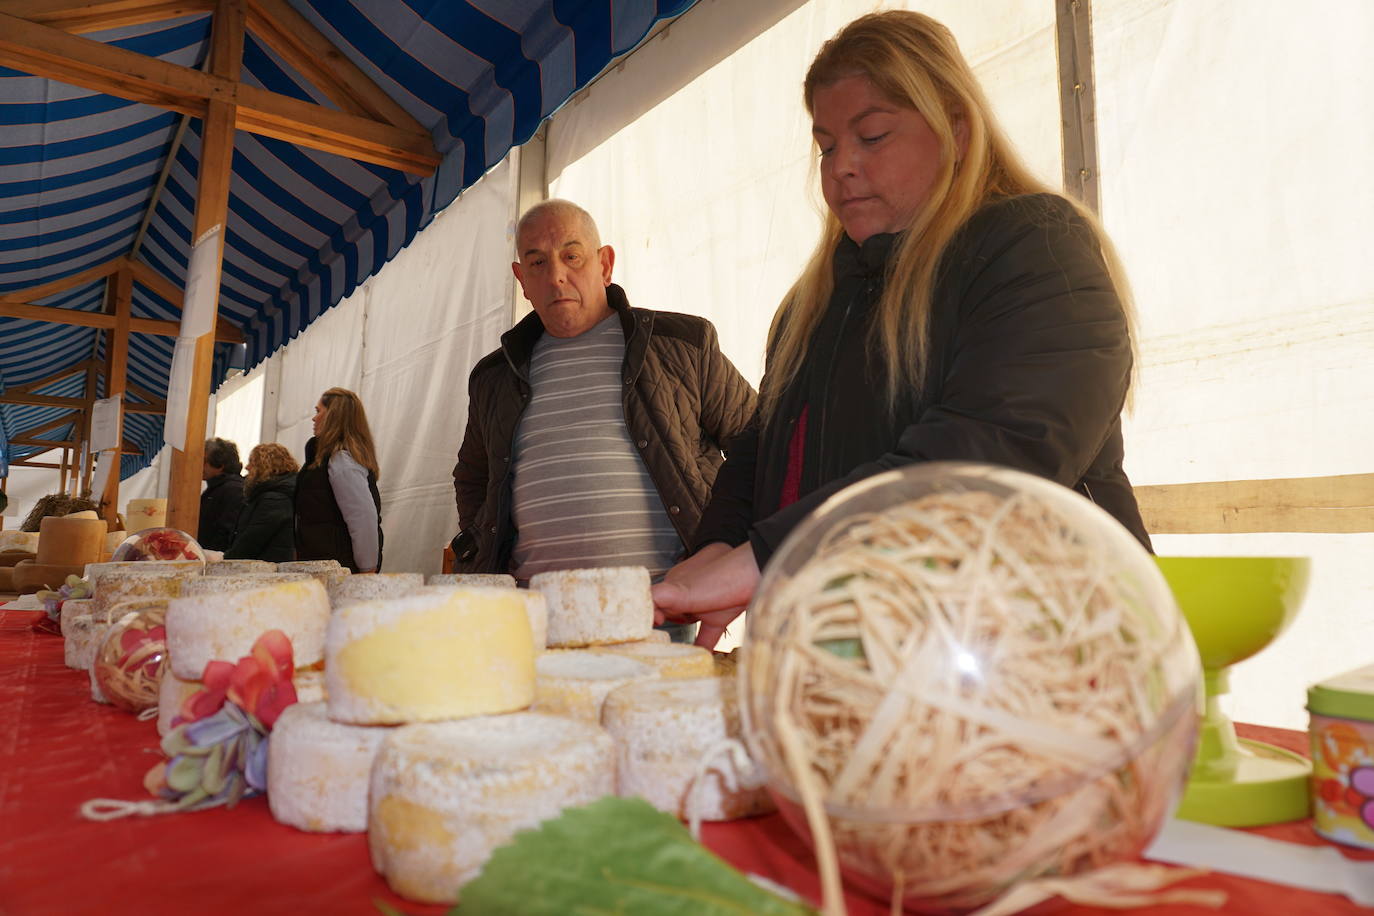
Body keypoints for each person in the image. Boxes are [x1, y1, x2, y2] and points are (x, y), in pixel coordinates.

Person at [653, 10, 1152, 649]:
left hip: (1035, 663)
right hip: (858, 658)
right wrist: (718, 546)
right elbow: (762, 449)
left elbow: (987, 457)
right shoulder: (810, 304)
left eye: (874, 136)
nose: (841, 167)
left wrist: (764, 559)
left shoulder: (1034, 248)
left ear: (957, 130)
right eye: (827, 144)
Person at [451, 199, 756, 594]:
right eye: (538, 262)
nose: (557, 276)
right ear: (521, 278)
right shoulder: (494, 377)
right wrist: (484, 549)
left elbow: (759, 446)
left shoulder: (683, 345)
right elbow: (472, 477)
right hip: (531, 609)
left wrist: (721, 547)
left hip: (658, 604)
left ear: (605, 264)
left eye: (572, 256)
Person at [295, 388, 382, 573]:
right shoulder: (327, 459)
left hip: (340, 572)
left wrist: (367, 571)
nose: (313, 418)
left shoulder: (342, 460)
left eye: (318, 411)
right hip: (327, 568)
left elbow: (362, 518)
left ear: (334, 416)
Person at [225, 443, 299, 562]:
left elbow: (252, 541)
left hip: (264, 569)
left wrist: (225, 559)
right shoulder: (272, 495)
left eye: (252, 462)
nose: (247, 467)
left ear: (265, 466)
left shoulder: (274, 499)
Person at [199, 437, 244, 551]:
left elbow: (226, 530)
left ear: (220, 464)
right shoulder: (217, 489)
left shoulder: (233, 490)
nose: (199, 466)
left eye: (204, 461)